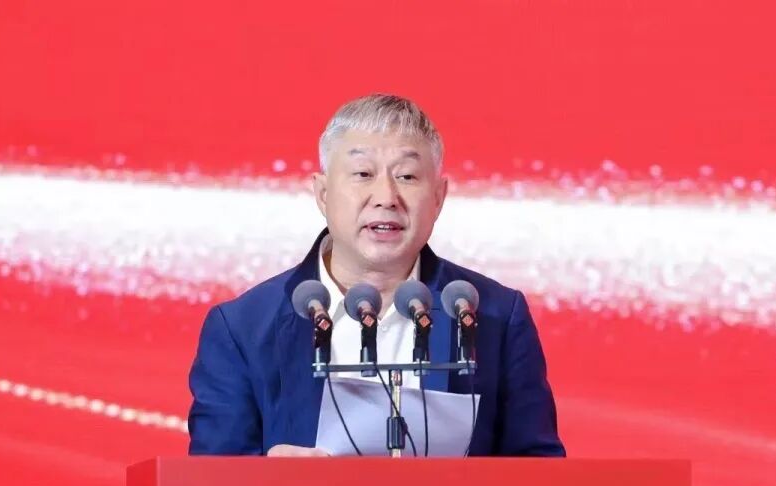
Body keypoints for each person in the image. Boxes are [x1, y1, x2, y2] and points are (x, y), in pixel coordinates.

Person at [187, 94, 565, 457]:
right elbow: (212, 484)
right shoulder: (243, 329)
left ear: (438, 197)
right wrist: (271, 480)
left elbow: (540, 478)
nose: (386, 196)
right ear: (322, 194)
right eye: (363, 174)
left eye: (407, 176)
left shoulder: (495, 317)